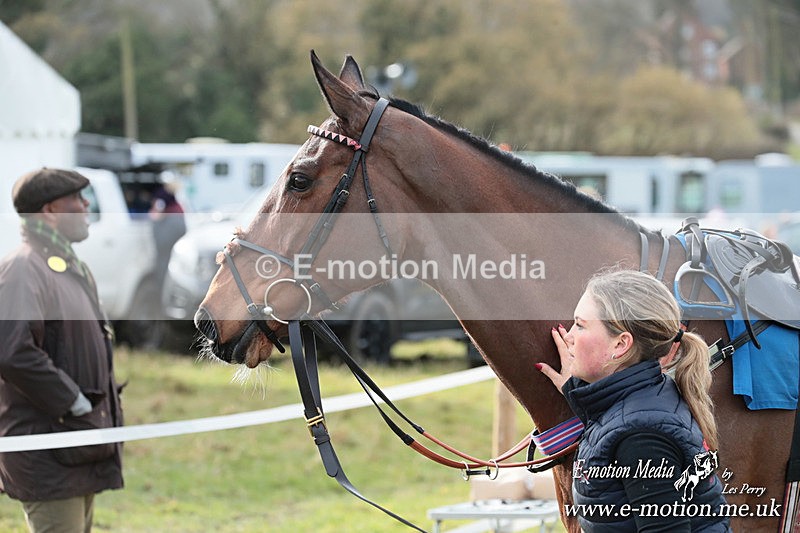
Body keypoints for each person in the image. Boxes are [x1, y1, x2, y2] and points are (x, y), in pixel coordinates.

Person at [536, 269, 730, 532]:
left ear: (620, 345)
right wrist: (578, 391)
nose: (568, 336)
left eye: (580, 325)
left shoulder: (642, 436)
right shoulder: (645, 401)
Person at [0, 168, 124, 532]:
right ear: (51, 210)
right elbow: (13, 352)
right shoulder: (22, 269)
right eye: (77, 199)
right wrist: (70, 399)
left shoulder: (70, 267)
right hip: (46, 453)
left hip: (76, 446)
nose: (86, 206)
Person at [148, 172, 186, 298]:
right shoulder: (174, 195)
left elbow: (156, 213)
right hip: (178, 226)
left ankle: (162, 294)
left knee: (163, 261)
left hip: (169, 228)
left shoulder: (160, 195)